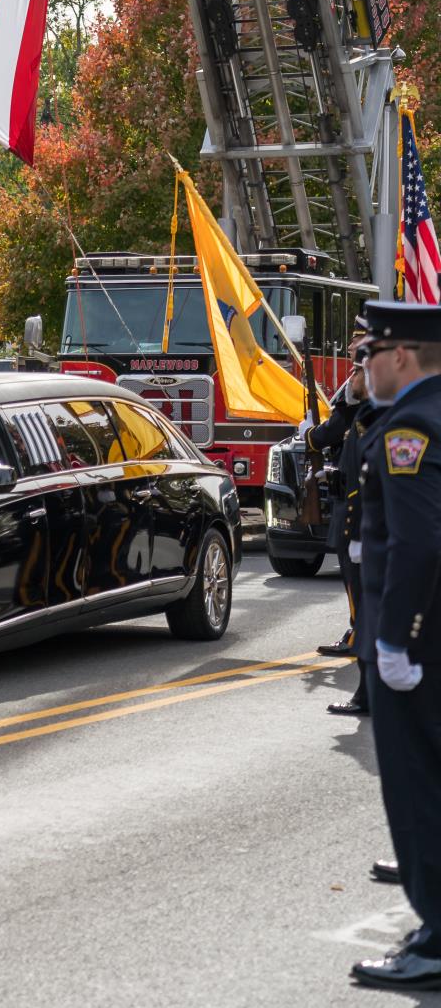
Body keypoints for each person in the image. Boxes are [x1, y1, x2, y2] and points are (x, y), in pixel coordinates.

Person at [347, 300, 441, 991]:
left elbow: (417, 541)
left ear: (402, 354)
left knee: (416, 786)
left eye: (372, 351)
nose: (366, 364)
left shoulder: (410, 423)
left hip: (421, 643)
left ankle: (436, 936)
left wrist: (394, 639)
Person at [306, 330, 375, 715]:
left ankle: (369, 693)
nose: (353, 375)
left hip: (367, 524)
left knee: (368, 605)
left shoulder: (378, 415)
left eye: (359, 368)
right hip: (359, 517)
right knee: (365, 605)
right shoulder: (366, 412)